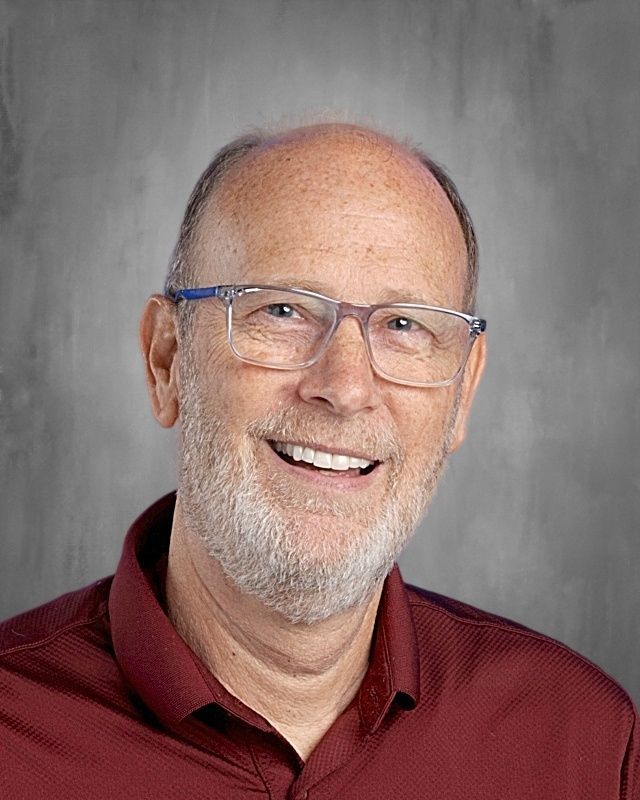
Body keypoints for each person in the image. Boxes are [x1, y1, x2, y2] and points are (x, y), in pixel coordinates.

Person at [1, 123, 637, 799]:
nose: (345, 387)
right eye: (281, 310)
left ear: (462, 394)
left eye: (404, 325)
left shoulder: (582, 742)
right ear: (168, 360)